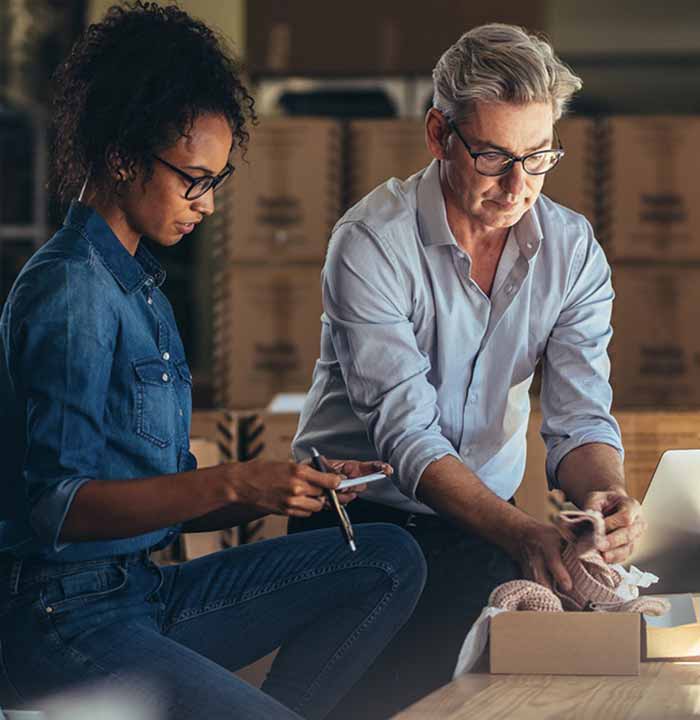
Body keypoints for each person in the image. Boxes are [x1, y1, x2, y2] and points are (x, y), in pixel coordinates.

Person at [0, 4, 426, 719]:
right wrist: (232, 480)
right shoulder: (72, 289)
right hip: (59, 620)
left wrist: (278, 488)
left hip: (139, 592)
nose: (208, 205)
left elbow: (151, 501)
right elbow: (58, 508)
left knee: (387, 557)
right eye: (194, 180)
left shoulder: (139, 289)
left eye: (217, 182)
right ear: (122, 157)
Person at [290, 23, 646, 717]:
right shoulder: (371, 243)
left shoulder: (570, 250)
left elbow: (579, 417)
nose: (518, 186)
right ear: (437, 134)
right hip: (357, 527)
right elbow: (408, 436)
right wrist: (520, 534)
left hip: (483, 524)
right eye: (492, 157)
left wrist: (606, 493)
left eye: (539, 158)